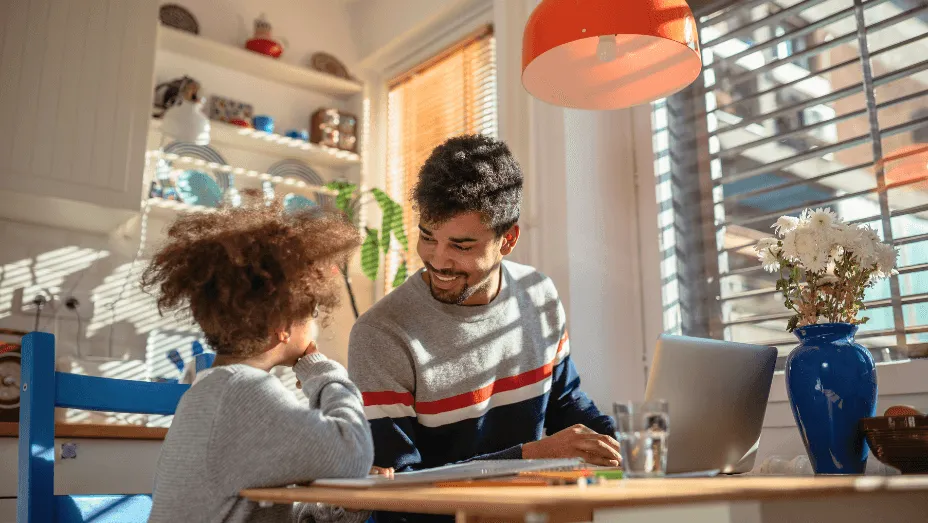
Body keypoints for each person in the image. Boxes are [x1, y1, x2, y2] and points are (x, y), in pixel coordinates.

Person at [348, 135, 619, 520]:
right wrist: (527, 457)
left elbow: (564, 404)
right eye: (427, 236)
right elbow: (398, 494)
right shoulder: (383, 334)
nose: (437, 260)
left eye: (460, 246)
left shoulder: (537, 294)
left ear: (507, 240)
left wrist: (623, 445)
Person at [143, 203, 374, 523]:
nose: (314, 323)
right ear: (282, 323)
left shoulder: (216, 389)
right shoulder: (244, 392)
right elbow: (354, 452)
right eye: (312, 310)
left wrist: (341, 509)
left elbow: (266, 511)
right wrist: (320, 369)